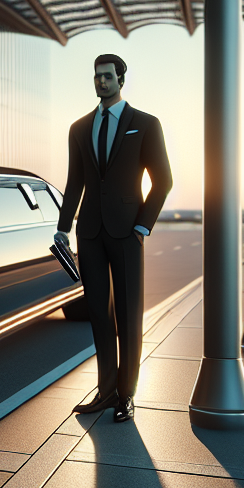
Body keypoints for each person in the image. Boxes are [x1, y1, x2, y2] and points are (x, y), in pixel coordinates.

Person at [54, 54, 172, 422]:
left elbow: (163, 180)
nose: (101, 82)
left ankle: (126, 395)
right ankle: (105, 391)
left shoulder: (146, 124)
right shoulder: (79, 128)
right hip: (89, 231)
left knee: (127, 314)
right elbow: (75, 183)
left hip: (126, 233)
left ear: (121, 79)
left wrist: (142, 227)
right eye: (97, 76)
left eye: (107, 76)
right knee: (99, 316)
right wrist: (62, 227)